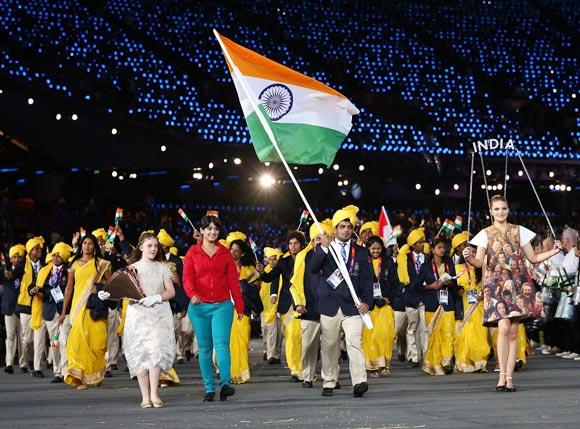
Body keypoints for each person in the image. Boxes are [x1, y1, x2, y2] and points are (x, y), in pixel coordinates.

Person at [464, 195, 562, 392]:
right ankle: (501, 376)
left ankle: (509, 379)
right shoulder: (485, 234)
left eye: (504, 208)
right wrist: (470, 257)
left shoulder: (519, 231)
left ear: (508, 210)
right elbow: (479, 262)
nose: (501, 212)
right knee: (503, 328)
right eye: (497, 209)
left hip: (518, 284)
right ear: (491, 212)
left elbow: (533, 258)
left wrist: (553, 251)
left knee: (513, 332)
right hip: (494, 286)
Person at [100, 232, 176, 408]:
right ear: (141, 247)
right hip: (138, 314)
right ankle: (145, 397)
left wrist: (157, 297)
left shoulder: (163, 267)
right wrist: (108, 294)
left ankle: (155, 394)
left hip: (158, 313)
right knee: (141, 353)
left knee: (156, 352)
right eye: (150, 245)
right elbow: (121, 290)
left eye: (156, 246)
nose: (153, 249)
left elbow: (171, 291)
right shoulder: (131, 268)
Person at [308, 206, 374, 398]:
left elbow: (368, 280)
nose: (346, 230)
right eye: (342, 226)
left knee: (355, 342)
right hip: (330, 305)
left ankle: (360, 381)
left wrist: (367, 302)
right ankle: (329, 381)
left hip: (353, 306)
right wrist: (323, 248)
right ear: (335, 229)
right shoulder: (327, 248)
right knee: (329, 345)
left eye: (349, 226)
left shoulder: (361, 252)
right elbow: (313, 269)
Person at [183, 215, 244, 402]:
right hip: (199, 306)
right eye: (208, 228)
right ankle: (209, 388)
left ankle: (225, 384)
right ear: (201, 231)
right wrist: (192, 294)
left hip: (222, 305)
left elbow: (233, 281)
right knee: (205, 349)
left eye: (215, 229)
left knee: (222, 345)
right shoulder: (192, 253)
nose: (212, 232)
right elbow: (187, 278)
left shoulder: (225, 253)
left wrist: (240, 305)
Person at [59, 234, 112, 389]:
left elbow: (111, 286)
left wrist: (100, 288)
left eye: (90, 244)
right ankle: (80, 377)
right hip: (78, 307)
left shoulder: (102, 264)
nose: (87, 246)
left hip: (95, 307)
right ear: (81, 246)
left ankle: (96, 374)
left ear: (94, 246)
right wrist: (64, 312)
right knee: (77, 343)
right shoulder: (73, 264)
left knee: (96, 344)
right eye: (85, 243)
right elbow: (69, 288)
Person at [257, 230, 306, 382]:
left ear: (301, 244)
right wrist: (261, 272)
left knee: (305, 339)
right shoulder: (283, 262)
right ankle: (295, 370)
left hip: (305, 303)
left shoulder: (307, 259)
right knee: (292, 337)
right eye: (290, 243)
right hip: (287, 305)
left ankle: (306, 367)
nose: (293, 246)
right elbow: (270, 277)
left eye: (296, 243)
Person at [290, 220, 332, 388]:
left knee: (330, 345)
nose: (319, 241)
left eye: (323, 238)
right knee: (308, 345)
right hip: (309, 308)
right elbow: (294, 284)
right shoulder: (303, 257)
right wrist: (297, 304)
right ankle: (307, 376)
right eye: (316, 238)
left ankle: (330, 377)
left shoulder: (335, 256)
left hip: (331, 307)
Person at [413, 237, 458, 375]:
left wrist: (450, 283)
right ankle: (435, 363)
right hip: (432, 303)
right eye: (439, 247)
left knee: (448, 333)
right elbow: (416, 286)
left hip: (447, 302)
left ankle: (446, 362)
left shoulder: (449, 263)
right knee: (434, 335)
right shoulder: (426, 266)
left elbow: (455, 282)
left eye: (444, 247)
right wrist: (430, 286)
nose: (442, 250)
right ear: (432, 249)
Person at [30, 243, 72, 382]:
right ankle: (58, 372)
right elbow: (45, 291)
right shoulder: (45, 271)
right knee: (55, 343)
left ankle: (67, 371)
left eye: (58, 254)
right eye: (53, 255)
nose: (55, 257)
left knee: (64, 341)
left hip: (65, 310)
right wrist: (38, 291)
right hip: (49, 310)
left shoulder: (69, 270)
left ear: (64, 257)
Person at [451, 232, 490, 373]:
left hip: (479, 305)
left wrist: (482, 293)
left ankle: (480, 363)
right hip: (463, 305)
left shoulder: (481, 268)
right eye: (469, 252)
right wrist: (458, 290)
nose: (472, 254)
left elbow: (487, 283)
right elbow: (454, 287)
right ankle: (464, 363)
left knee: (479, 334)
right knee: (463, 335)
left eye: (474, 252)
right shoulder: (456, 268)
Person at [227, 232, 262, 384]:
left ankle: (241, 373)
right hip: (225, 309)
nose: (233, 252)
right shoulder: (223, 268)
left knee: (241, 342)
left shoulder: (249, 271)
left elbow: (256, 289)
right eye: (231, 249)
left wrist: (245, 287)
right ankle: (230, 372)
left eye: (236, 250)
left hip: (242, 310)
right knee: (228, 343)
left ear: (242, 254)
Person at [361, 235, 398, 377]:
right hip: (368, 305)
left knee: (385, 335)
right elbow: (359, 283)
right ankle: (372, 367)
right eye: (373, 248)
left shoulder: (389, 262)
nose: (376, 251)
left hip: (385, 304)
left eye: (378, 248)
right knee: (370, 335)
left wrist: (388, 298)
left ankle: (385, 366)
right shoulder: (364, 262)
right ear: (368, 249)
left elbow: (395, 283)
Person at [397, 228, 428, 367]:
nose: (422, 244)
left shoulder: (428, 257)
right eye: (419, 242)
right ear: (412, 245)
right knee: (412, 328)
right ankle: (414, 357)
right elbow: (403, 278)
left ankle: (427, 356)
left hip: (426, 296)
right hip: (411, 297)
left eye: (423, 241)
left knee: (425, 328)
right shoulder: (405, 258)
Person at [16, 237, 44, 373]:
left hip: (39, 304)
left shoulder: (44, 265)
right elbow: (15, 273)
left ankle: (34, 362)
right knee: (27, 339)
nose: (40, 251)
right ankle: (26, 360)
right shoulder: (22, 264)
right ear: (30, 251)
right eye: (37, 249)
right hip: (25, 305)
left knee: (36, 337)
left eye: (40, 248)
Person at [1, 244, 26, 373]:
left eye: (19, 256)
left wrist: (11, 272)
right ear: (10, 259)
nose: (18, 259)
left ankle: (23, 363)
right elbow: (4, 276)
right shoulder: (5, 271)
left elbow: (18, 271)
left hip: (22, 308)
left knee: (23, 336)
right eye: (15, 257)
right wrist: (4, 271)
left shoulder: (24, 270)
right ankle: (9, 363)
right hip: (9, 308)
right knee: (10, 336)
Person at [260, 247, 283, 364]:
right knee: (266, 331)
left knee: (278, 332)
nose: (273, 261)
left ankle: (274, 355)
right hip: (265, 308)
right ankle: (268, 350)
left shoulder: (280, 271)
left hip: (277, 307)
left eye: (275, 259)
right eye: (271, 259)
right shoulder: (263, 271)